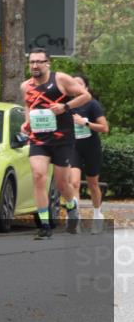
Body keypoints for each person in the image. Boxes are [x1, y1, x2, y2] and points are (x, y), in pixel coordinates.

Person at [20, 48, 90, 240]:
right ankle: (44, 224)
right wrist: (27, 123)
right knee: (38, 176)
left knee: (61, 184)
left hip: (62, 139)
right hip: (39, 139)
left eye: (39, 62)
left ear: (47, 63)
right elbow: (28, 105)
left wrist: (65, 107)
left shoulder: (60, 79)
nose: (34, 65)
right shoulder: (25, 85)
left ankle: (71, 206)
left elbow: (85, 96)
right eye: (31, 62)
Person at [69, 74, 110, 234]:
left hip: (91, 147)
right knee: (74, 183)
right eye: (73, 85)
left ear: (85, 87)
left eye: (79, 84)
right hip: (74, 148)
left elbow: (105, 128)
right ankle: (75, 218)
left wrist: (85, 123)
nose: (76, 87)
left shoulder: (93, 104)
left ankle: (97, 214)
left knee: (93, 184)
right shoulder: (68, 105)